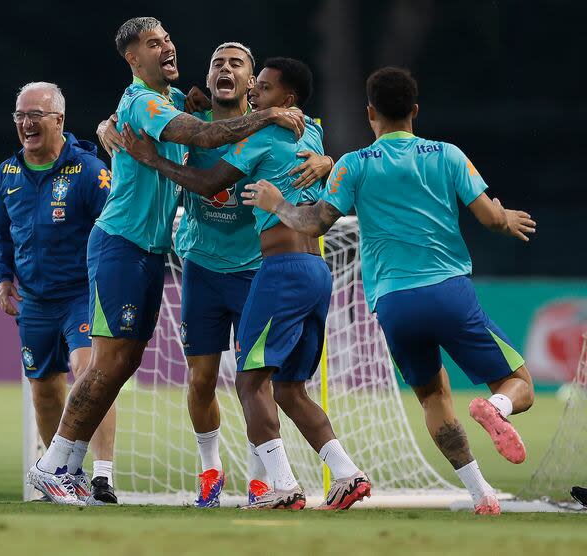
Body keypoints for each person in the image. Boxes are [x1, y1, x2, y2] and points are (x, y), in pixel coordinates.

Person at [26, 17, 307, 505]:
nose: (168, 47)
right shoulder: (143, 101)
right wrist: (267, 116)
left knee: (124, 362)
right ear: (133, 58)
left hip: (150, 250)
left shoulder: (170, 100)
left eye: (168, 39)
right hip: (122, 243)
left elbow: (190, 117)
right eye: (154, 44)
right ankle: (54, 464)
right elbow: (201, 136)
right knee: (108, 362)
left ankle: (65, 466)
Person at [243, 66, 537, 515]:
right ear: (415, 110)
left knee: (433, 398)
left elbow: (316, 222)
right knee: (520, 384)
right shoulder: (448, 155)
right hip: (448, 291)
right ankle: (496, 407)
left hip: (394, 305)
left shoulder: (353, 164)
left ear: (369, 113)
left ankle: (482, 495)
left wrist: (276, 204)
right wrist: (506, 219)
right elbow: (489, 217)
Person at [120, 57, 371, 511]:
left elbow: (209, 181)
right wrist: (328, 158)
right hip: (314, 271)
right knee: (289, 389)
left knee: (250, 383)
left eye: (264, 87)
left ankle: (280, 485)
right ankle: (348, 475)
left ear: (287, 101)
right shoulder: (306, 132)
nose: (255, 92)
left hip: (275, 271)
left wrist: (152, 159)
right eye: (219, 63)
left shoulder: (259, 136)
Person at [0, 82, 117, 505]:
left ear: (58, 120)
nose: (26, 123)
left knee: (89, 373)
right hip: (35, 301)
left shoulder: (86, 170)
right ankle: (63, 475)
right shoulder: (7, 174)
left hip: (82, 292)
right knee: (43, 390)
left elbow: (113, 224)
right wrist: (3, 279)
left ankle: (102, 476)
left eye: (35, 115)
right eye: (20, 115)